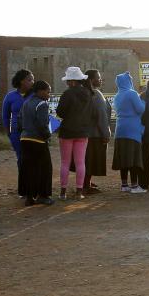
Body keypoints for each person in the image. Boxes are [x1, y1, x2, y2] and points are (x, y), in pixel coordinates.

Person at [55, 67, 94, 200]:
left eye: (67, 80)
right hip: (83, 132)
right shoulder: (88, 93)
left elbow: (60, 113)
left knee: (65, 162)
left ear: (72, 81)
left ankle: (63, 192)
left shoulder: (67, 94)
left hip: (67, 132)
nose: (66, 83)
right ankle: (79, 192)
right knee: (80, 162)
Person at [17, 80, 55, 206]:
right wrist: (47, 136)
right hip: (38, 140)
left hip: (25, 139)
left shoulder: (26, 102)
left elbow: (19, 120)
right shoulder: (42, 104)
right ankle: (43, 196)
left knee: (28, 169)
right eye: (48, 92)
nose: (49, 95)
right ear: (40, 91)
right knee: (45, 168)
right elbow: (42, 124)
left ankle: (29, 197)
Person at [111, 72, 146, 193]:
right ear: (128, 82)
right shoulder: (132, 94)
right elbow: (140, 109)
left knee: (124, 158)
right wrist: (144, 102)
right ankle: (135, 186)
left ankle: (124, 185)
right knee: (134, 158)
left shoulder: (117, 96)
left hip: (120, 130)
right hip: (133, 130)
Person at [1, 69, 34, 196]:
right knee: (21, 160)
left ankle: (33, 187)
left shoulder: (34, 95)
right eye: (29, 79)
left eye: (33, 80)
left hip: (32, 134)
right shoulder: (10, 96)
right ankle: (24, 189)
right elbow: (5, 116)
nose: (32, 82)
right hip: (16, 133)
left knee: (32, 160)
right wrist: (8, 133)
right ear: (21, 81)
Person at [83, 70, 111, 194]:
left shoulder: (83, 93)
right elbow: (102, 116)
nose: (100, 80)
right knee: (91, 160)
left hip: (83, 133)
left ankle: (85, 182)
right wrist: (106, 134)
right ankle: (86, 185)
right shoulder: (96, 94)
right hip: (95, 134)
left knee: (85, 160)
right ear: (91, 80)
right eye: (98, 78)